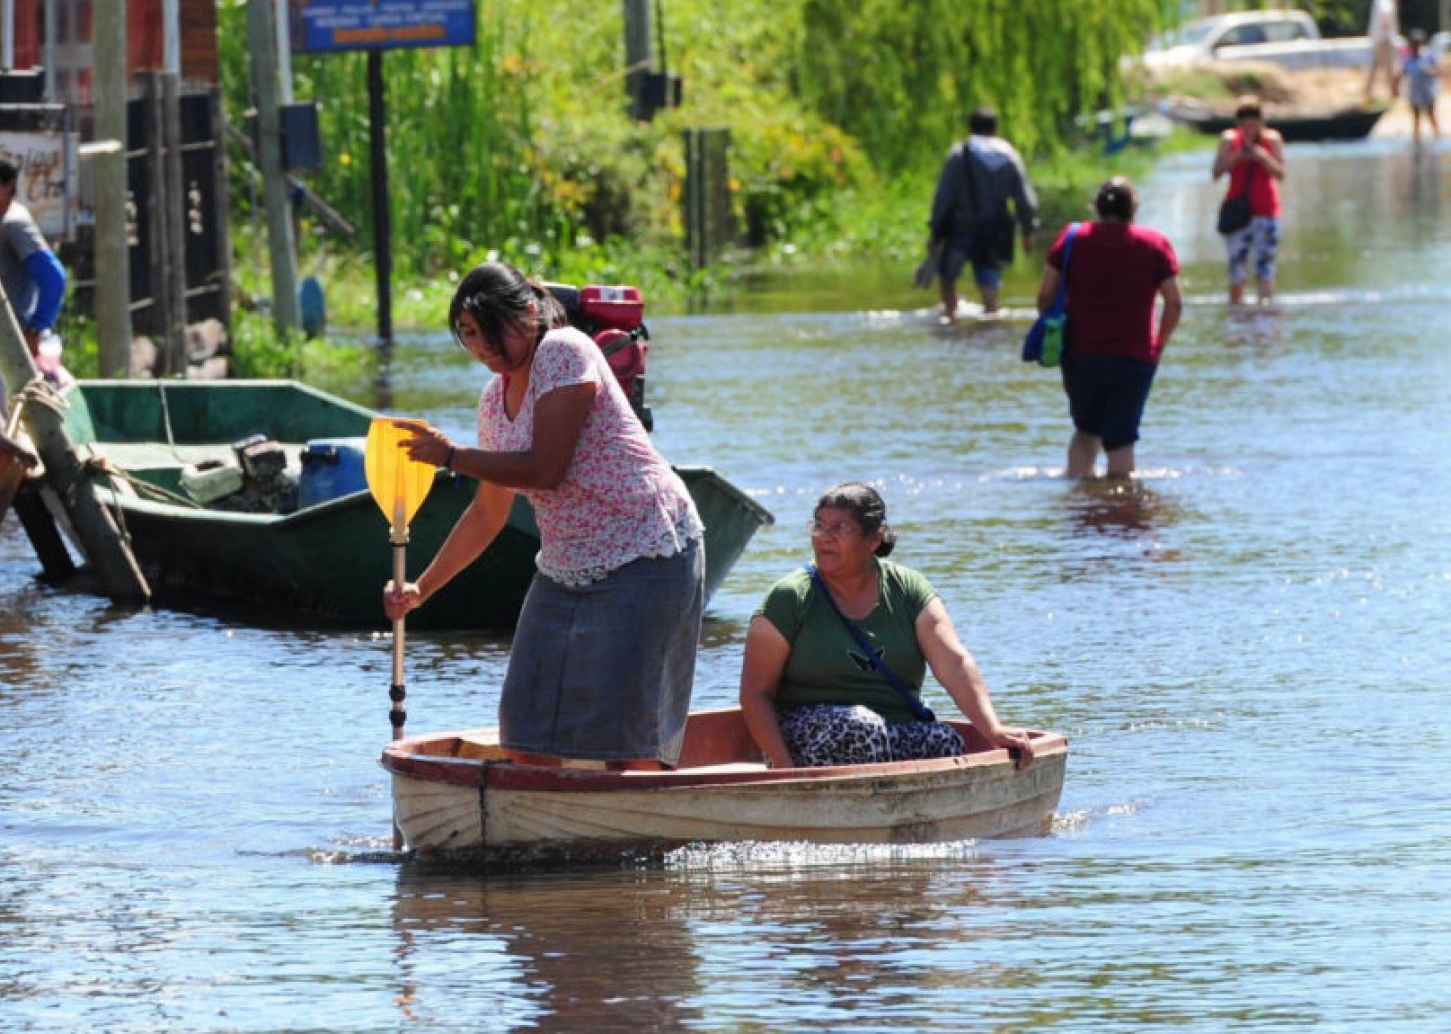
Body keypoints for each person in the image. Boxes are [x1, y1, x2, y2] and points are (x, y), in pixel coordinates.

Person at [382, 261, 705, 770]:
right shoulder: (492, 402)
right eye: (469, 334)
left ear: (529, 313)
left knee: (623, 736)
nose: (483, 346)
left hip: (647, 551)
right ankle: (541, 832)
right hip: (565, 566)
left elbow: (545, 469)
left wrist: (451, 456)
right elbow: (488, 514)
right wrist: (422, 588)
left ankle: (633, 836)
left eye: (493, 330)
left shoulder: (565, 350)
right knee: (525, 727)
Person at [738, 483, 1035, 770]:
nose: (823, 537)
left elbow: (954, 663)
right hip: (803, 738)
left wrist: (993, 729)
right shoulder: (789, 597)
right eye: (818, 525)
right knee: (861, 728)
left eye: (839, 528)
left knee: (943, 741)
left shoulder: (908, 588)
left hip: (889, 729)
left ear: (874, 539)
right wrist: (784, 769)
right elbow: (755, 693)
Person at [1036, 177, 1182, 480]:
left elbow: (1045, 295)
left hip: (1080, 352)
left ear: (1097, 206)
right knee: (1120, 442)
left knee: (1086, 431)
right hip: (1134, 355)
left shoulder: (1073, 238)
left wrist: (1056, 329)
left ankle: (1080, 505)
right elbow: (1174, 302)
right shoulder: (1154, 244)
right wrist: (1159, 345)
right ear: (1134, 209)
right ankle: (1120, 515)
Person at [923, 106, 1039, 322]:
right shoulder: (1009, 156)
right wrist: (1028, 230)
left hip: (960, 229)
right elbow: (1024, 197)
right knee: (989, 289)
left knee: (948, 280)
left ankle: (951, 321)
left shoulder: (959, 154)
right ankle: (991, 330)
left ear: (971, 126)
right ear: (996, 127)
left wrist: (935, 233)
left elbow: (944, 197)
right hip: (994, 233)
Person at [0, 154, 70, 390]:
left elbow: (53, 277)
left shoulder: (13, 223)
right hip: (3, 333)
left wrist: (36, 328)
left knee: (7, 415)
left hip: (16, 336)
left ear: (10, 185)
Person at [1210, 97, 1285, 307]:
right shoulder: (1229, 139)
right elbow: (1216, 173)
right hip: (1238, 211)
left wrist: (1262, 157)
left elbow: (1280, 173)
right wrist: (1237, 158)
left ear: (1261, 123)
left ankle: (1266, 312)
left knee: (1265, 268)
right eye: (1244, 125)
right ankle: (1237, 314)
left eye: (1253, 125)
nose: (1249, 130)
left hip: (1266, 211)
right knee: (1237, 268)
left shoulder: (1272, 139)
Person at [1395, 29, 1441, 143]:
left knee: (1431, 114)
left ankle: (1437, 137)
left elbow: (1438, 70)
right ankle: (1417, 141)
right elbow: (1402, 73)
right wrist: (1395, 87)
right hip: (1414, 91)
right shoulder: (1408, 59)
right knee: (1416, 117)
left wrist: (1429, 71)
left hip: (1428, 90)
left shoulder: (1429, 55)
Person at [1365, 0, 1399, 101]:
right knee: (1390, 67)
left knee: (1376, 65)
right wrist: (1387, 34)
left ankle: (1368, 89)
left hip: (1379, 38)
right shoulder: (1386, 3)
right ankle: (1393, 92)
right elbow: (1385, 17)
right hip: (1385, 39)